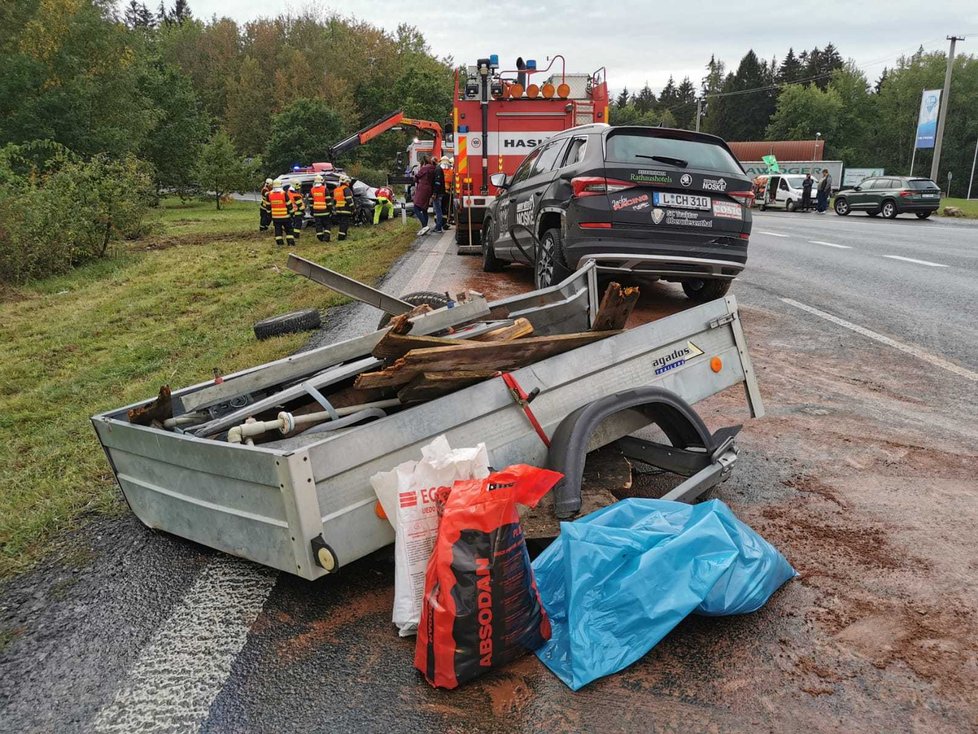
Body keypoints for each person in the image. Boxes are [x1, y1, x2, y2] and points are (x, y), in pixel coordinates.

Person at [412, 155, 437, 235]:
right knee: (424, 208)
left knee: (416, 207)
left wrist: (414, 177)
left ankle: (424, 226)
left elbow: (417, 177)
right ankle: (425, 227)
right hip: (429, 189)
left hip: (422, 188)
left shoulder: (424, 168)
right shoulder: (433, 168)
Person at [267, 178, 294, 247]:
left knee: (278, 230)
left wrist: (269, 215)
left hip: (275, 217)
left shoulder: (269, 194)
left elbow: (268, 206)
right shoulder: (283, 193)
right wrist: (292, 213)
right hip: (285, 216)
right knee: (289, 230)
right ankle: (290, 242)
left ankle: (280, 243)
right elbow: (289, 204)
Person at [332, 173, 354, 241]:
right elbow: (349, 200)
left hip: (339, 209)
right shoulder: (346, 189)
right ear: (345, 182)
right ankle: (341, 238)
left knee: (342, 224)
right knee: (345, 224)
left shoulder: (337, 189)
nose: (348, 183)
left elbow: (335, 201)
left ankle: (342, 236)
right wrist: (353, 208)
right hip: (346, 209)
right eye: (348, 182)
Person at [309, 175, 332, 242]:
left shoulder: (312, 190)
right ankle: (326, 237)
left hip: (316, 211)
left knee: (318, 225)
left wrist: (312, 211)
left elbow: (311, 202)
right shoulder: (325, 189)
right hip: (325, 211)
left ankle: (320, 237)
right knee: (327, 224)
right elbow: (328, 201)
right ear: (322, 181)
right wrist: (330, 210)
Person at [431, 157, 446, 233]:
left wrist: (434, 193)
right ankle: (438, 226)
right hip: (440, 192)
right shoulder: (438, 169)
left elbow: (437, 182)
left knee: (438, 210)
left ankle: (438, 227)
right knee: (438, 210)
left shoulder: (437, 169)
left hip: (438, 193)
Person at [440, 157, 455, 226]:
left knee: (442, 208)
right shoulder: (450, 171)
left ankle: (444, 221)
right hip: (447, 192)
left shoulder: (440, 170)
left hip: (442, 192)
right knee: (447, 207)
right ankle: (447, 220)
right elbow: (451, 182)